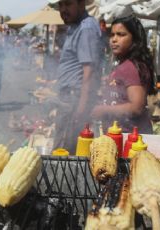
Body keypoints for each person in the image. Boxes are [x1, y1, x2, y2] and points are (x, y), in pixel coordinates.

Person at [49, 0, 104, 154]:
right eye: (60, 5)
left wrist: (81, 108)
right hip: (70, 100)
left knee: (63, 153)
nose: (63, 9)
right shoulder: (76, 26)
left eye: (68, 4)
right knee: (63, 149)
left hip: (75, 101)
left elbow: (89, 71)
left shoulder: (86, 28)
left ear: (81, 4)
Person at [91, 15, 156, 134]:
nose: (114, 39)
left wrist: (103, 110)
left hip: (129, 138)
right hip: (120, 135)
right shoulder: (125, 65)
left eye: (121, 34)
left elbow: (136, 107)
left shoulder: (131, 67)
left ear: (134, 39)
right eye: (112, 35)